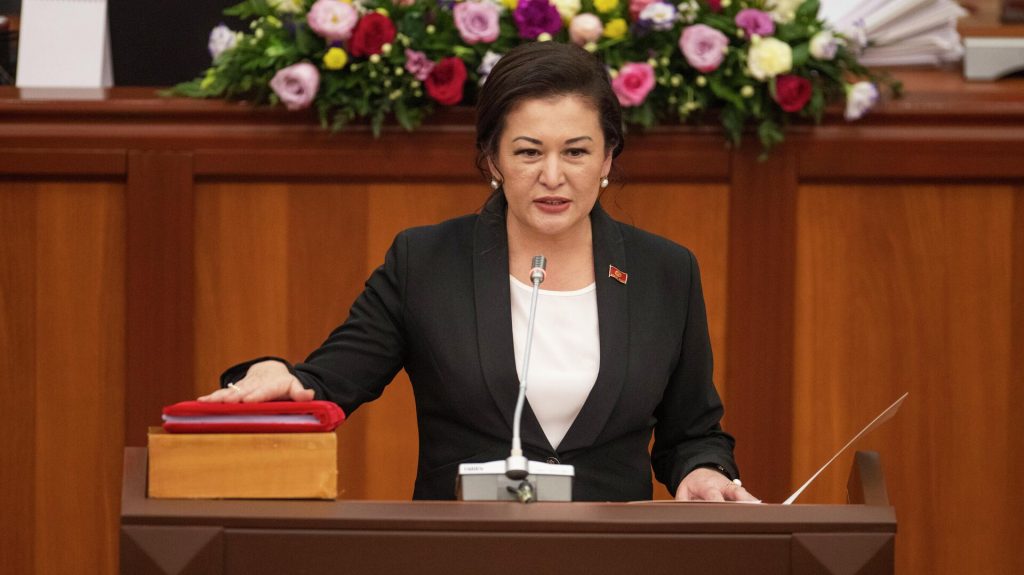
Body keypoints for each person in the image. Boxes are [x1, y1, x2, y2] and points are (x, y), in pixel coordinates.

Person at [199, 41, 756, 503]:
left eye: (577, 152)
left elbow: (692, 433)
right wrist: (275, 375)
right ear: (492, 159)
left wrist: (703, 471)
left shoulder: (665, 271)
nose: (553, 176)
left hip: (612, 555)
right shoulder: (425, 262)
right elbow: (325, 384)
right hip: (462, 552)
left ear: (608, 157)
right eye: (529, 152)